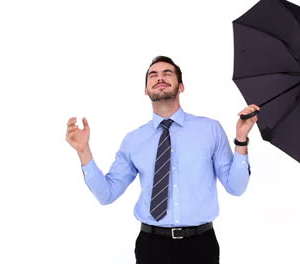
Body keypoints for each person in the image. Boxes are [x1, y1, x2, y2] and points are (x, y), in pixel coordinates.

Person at [65, 56, 260, 264]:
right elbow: (107, 194)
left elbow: (236, 187)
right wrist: (83, 151)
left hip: (201, 246)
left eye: (168, 73)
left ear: (181, 86)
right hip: (152, 247)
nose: (160, 78)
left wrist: (241, 139)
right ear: (146, 89)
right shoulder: (133, 140)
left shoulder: (210, 129)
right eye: (153, 75)